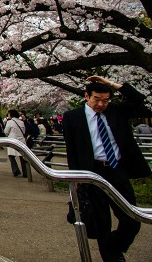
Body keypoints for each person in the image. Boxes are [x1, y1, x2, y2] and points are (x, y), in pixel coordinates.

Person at [63, 76, 151, 262]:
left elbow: (138, 99)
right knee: (101, 221)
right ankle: (111, 257)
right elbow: (72, 150)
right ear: (87, 96)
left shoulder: (116, 112)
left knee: (131, 217)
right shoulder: (73, 117)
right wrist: (76, 177)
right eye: (97, 99)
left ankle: (114, 245)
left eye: (105, 100)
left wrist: (111, 84)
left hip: (116, 169)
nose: (101, 104)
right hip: (92, 171)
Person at [4, 109, 28, 177]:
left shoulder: (9, 122)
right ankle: (25, 172)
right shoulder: (21, 122)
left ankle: (16, 170)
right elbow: (24, 131)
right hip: (21, 140)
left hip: (13, 140)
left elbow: (6, 131)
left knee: (11, 156)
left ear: (11, 114)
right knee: (22, 156)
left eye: (8, 114)